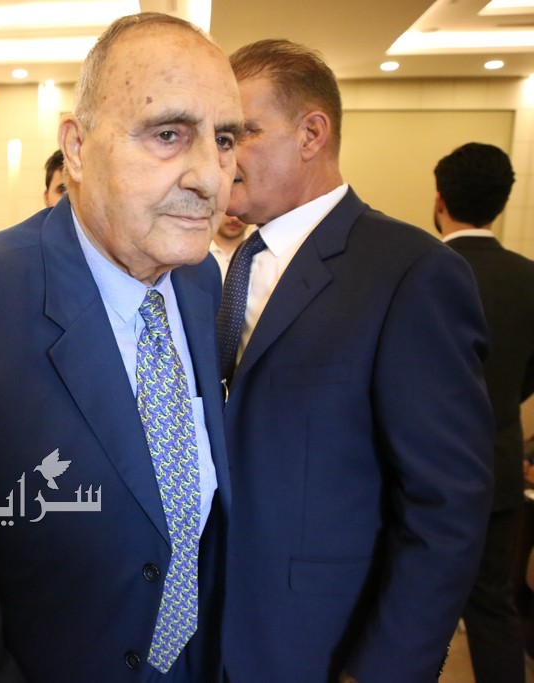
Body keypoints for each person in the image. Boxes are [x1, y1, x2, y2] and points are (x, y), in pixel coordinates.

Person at [0, 12, 239, 682]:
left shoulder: (200, 282)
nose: (211, 178)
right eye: (168, 134)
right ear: (76, 146)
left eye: (224, 140)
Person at [218, 39, 494, 682]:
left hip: (324, 645)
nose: (221, 156)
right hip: (211, 637)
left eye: (240, 134)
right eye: (217, 138)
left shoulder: (411, 271)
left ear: (312, 134)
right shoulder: (216, 271)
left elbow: (445, 506)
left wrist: (383, 671)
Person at [435, 142, 534, 682]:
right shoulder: (528, 277)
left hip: (425, 470)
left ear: (440, 199)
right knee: (493, 603)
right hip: (498, 463)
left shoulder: (422, 269)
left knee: (417, 603)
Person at [208, 215, 249, 280]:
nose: (235, 219)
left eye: (240, 212)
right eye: (228, 212)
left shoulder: (260, 251)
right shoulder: (195, 252)